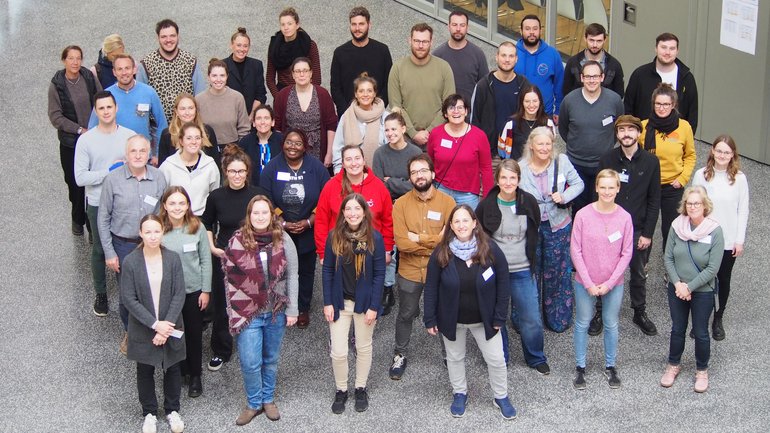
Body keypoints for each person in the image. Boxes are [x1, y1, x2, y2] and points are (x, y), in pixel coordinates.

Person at [423, 205, 516, 420]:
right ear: (451, 226)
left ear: (475, 223)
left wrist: (500, 315)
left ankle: (500, 396)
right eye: (457, 221)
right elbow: (431, 287)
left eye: (466, 220)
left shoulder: (490, 248)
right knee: (455, 358)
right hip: (452, 319)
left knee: (496, 359)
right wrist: (430, 318)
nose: (462, 225)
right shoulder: (441, 252)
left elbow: (503, 281)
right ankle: (459, 393)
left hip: (485, 320)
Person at [223, 196, 299, 425]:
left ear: (271, 214)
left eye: (264, 212)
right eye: (255, 213)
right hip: (249, 313)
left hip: (275, 311)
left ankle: (268, 399)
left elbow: (293, 274)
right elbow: (230, 279)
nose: (260, 217)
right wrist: (233, 310)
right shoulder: (236, 241)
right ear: (249, 215)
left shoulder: (283, 239)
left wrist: (293, 309)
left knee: (271, 358)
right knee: (249, 361)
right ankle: (254, 403)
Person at [476, 159, 549, 373]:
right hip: (496, 272)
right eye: (504, 178)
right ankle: (502, 357)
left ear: (519, 179)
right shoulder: (486, 205)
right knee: (496, 318)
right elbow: (480, 238)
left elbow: (535, 232)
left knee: (531, 318)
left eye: (513, 178)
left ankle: (535, 357)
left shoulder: (529, 203)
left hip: (523, 270)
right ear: (497, 180)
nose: (508, 182)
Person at [388, 153, 456, 380]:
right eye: (414, 172)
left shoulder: (448, 203)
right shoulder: (400, 205)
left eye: (423, 170)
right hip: (409, 271)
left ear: (433, 173)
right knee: (406, 313)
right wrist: (434, 240)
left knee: (444, 313)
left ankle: (450, 356)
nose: (419, 175)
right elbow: (402, 243)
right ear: (409, 178)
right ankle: (400, 354)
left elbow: (449, 240)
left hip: (441, 269)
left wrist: (418, 238)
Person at [594, 115, 661, 337]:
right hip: (610, 229)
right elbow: (601, 196)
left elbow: (654, 200)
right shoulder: (607, 159)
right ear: (616, 134)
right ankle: (600, 311)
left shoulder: (652, 162)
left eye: (631, 130)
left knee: (639, 273)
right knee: (605, 270)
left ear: (639, 133)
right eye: (621, 130)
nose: (626, 134)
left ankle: (639, 311)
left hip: (639, 229)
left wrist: (649, 233)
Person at [201, 146, 265, 372]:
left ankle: (254, 345)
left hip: (252, 258)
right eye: (232, 171)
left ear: (247, 172)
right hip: (225, 256)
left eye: (241, 171)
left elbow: (268, 223)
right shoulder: (216, 196)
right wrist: (211, 246)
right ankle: (221, 350)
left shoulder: (257, 195)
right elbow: (206, 223)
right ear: (225, 172)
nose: (237, 175)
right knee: (222, 305)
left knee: (253, 304)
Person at [120, 214, 186, 433]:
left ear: (162, 232)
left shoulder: (173, 259)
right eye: (147, 232)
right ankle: (149, 412)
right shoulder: (131, 261)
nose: (152, 236)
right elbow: (129, 299)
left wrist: (165, 326)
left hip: (171, 325)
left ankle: (172, 410)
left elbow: (179, 294)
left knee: (173, 367)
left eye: (156, 231)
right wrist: (155, 325)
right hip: (144, 326)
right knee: (145, 369)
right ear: (140, 233)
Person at [98, 135, 167, 344]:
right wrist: (110, 253)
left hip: (152, 244)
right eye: (133, 151)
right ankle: (131, 333)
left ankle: (153, 329)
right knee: (128, 293)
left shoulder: (159, 177)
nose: (138, 155)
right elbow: (103, 218)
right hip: (123, 245)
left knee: (154, 288)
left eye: (142, 151)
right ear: (126, 155)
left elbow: (163, 211)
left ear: (149, 154)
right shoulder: (113, 180)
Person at [570, 169, 634, 390]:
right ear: (596, 187)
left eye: (611, 187)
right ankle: (580, 367)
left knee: (611, 323)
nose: (607, 191)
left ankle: (610, 365)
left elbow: (626, 253)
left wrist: (609, 283)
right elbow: (575, 250)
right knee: (582, 322)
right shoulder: (583, 215)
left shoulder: (625, 218)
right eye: (603, 187)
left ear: (618, 188)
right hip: (584, 282)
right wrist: (588, 282)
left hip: (613, 283)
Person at [74, 91, 135, 317]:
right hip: (98, 201)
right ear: (96, 111)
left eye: (109, 107)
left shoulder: (129, 136)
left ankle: (129, 292)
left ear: (116, 108)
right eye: (101, 108)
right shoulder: (86, 140)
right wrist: (108, 172)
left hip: (124, 200)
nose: (106, 111)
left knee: (128, 246)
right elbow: (80, 177)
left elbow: (139, 164)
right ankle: (101, 293)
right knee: (100, 248)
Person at [261, 129, 330, 329]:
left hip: (309, 228)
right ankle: (282, 305)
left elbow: (325, 199)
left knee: (306, 270)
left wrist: (309, 221)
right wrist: (281, 222)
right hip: (279, 230)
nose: (293, 146)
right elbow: (266, 199)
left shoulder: (316, 168)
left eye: (298, 143)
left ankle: (302, 308)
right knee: (280, 270)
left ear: (305, 146)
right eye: (289, 142)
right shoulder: (272, 167)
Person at [323, 193, 385, 414]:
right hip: (340, 303)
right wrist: (327, 302)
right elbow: (328, 270)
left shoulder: (374, 239)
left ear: (364, 212)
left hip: (365, 304)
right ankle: (341, 390)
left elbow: (379, 274)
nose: (352, 213)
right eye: (348, 209)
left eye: (357, 209)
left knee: (363, 347)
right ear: (342, 213)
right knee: (338, 352)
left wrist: (374, 307)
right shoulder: (334, 237)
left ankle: (360, 387)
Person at [519, 127, 584, 332]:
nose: (545, 148)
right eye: (540, 144)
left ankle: (557, 317)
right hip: (531, 228)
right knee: (531, 272)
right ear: (531, 145)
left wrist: (564, 196)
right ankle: (529, 317)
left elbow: (579, 184)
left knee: (557, 271)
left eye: (548, 144)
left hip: (558, 226)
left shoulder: (562, 161)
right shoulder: (520, 168)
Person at [660, 186, 724, 393]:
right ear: (684, 205)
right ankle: (673, 365)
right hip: (677, 287)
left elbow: (713, 268)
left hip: (702, 290)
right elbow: (668, 257)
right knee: (677, 329)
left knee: (701, 331)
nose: (693, 206)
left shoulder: (715, 231)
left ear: (705, 206)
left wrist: (689, 286)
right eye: (689, 203)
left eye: (697, 203)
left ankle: (702, 371)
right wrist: (678, 283)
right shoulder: (676, 226)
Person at [692, 135, 749, 341]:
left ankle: (718, 317)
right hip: (704, 237)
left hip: (727, 239)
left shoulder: (739, 178)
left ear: (732, 154)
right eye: (719, 151)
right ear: (712, 151)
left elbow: (743, 210)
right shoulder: (701, 175)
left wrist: (739, 240)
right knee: (701, 279)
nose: (722, 155)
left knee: (723, 279)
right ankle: (700, 319)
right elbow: (693, 205)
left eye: (727, 152)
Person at [159, 186, 212, 399]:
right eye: (172, 203)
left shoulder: (197, 227)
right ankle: (178, 371)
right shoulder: (159, 228)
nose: (177, 207)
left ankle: (195, 375)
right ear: (164, 206)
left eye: (181, 203)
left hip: (193, 290)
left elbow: (206, 260)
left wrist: (206, 290)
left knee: (193, 333)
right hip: (168, 293)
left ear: (188, 205)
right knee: (172, 332)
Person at [48, 45, 102, 237]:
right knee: (73, 182)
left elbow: (100, 100)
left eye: (78, 58)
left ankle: (89, 223)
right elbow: (56, 117)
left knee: (91, 181)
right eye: (71, 58)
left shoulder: (88, 77)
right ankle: (77, 217)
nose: (75, 62)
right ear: (64, 60)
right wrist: (79, 130)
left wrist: (98, 125)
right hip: (71, 142)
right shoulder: (57, 85)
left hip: (93, 138)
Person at [559, 61, 624, 214]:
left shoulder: (614, 100)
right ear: (581, 78)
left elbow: (618, 128)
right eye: (588, 76)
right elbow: (563, 129)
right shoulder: (569, 100)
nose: (592, 80)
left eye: (595, 76)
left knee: (602, 206)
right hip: (576, 165)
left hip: (603, 164)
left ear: (602, 77)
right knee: (579, 209)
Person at [315, 145, 394, 267]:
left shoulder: (379, 186)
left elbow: (388, 220)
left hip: (371, 251)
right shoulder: (331, 186)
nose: (353, 163)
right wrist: (323, 253)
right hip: (339, 251)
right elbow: (321, 221)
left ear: (364, 161)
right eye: (348, 159)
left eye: (357, 158)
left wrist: (387, 249)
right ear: (343, 163)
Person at [639, 83, 696, 247]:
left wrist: (683, 179)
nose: (661, 108)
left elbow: (690, 155)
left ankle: (670, 263)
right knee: (645, 226)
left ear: (673, 105)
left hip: (672, 186)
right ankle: (643, 264)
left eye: (666, 104)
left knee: (671, 228)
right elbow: (636, 156)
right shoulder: (643, 127)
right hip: (648, 185)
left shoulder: (684, 127)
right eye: (658, 104)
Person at [388, 23, 455, 148]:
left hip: (439, 138)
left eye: (424, 41)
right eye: (417, 41)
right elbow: (396, 106)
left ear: (431, 42)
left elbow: (449, 105)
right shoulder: (397, 68)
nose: (420, 46)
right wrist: (413, 133)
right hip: (405, 140)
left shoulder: (444, 67)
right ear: (410, 41)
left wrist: (429, 131)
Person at [89, 54, 168, 159]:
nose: (124, 73)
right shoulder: (106, 95)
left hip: (144, 157)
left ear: (134, 69)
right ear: (114, 72)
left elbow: (162, 125)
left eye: (127, 68)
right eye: (120, 69)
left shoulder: (149, 92)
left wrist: (157, 154)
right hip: (115, 158)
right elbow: (92, 128)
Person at [427, 94, 493, 209]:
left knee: (466, 226)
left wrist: (488, 198)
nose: (456, 111)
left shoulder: (479, 136)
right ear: (445, 114)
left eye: (460, 107)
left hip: (468, 195)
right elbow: (430, 162)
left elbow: (486, 168)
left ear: (466, 111)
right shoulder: (436, 134)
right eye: (451, 108)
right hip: (441, 190)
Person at [625, 32, 699, 133]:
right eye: (663, 47)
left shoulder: (686, 78)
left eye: (672, 48)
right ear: (656, 48)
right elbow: (628, 107)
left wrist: (687, 138)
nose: (667, 52)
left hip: (675, 138)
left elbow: (693, 113)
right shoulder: (640, 75)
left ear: (677, 51)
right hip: (644, 136)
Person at [138, 19, 207, 122]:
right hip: (157, 130)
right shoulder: (146, 64)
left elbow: (200, 96)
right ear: (158, 38)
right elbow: (141, 97)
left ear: (178, 36)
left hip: (186, 126)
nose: (168, 40)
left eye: (172, 36)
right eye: (164, 36)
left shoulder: (190, 61)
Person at [470, 41, 529, 159]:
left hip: (517, 154)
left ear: (516, 59)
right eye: (503, 55)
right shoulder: (484, 85)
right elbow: (474, 121)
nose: (507, 60)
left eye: (511, 56)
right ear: (496, 57)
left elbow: (531, 117)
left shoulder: (524, 85)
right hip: (490, 154)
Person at [273, 57, 337, 166]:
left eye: (305, 71)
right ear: (293, 75)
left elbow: (331, 126)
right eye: (297, 71)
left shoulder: (323, 94)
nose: (301, 74)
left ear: (311, 73)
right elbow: (277, 127)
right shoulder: (283, 95)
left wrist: (329, 153)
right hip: (290, 150)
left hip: (317, 150)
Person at [330, 6, 393, 116]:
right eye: (354, 24)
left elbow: (388, 84)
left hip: (376, 114)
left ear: (369, 25)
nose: (357, 28)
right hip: (348, 115)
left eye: (361, 24)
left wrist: (377, 108)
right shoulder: (340, 53)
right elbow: (335, 87)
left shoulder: (382, 50)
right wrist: (347, 111)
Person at [159, 123, 221, 216]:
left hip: (202, 219)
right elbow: (162, 195)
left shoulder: (210, 165)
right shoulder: (168, 166)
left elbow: (214, 194)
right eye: (189, 138)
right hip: (174, 218)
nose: (194, 142)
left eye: (197, 138)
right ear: (181, 141)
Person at [332, 73, 388, 172]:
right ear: (356, 94)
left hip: (380, 174)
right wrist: (337, 171)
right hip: (350, 174)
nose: (365, 94)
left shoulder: (385, 117)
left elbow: (390, 148)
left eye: (369, 91)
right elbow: (338, 147)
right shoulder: (346, 117)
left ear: (374, 93)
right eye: (361, 91)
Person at [514, 15, 564, 121]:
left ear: (540, 30)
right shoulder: (513, 53)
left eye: (535, 29)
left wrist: (558, 109)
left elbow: (559, 84)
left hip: (545, 115)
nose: (532, 32)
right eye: (527, 29)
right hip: (517, 114)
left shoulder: (552, 54)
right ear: (521, 30)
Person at [266, 7, 322, 99]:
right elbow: (270, 78)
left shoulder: (309, 45)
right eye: (283, 24)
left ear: (297, 25)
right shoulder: (274, 46)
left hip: (306, 94)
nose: (286, 27)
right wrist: (279, 97)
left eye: (289, 24)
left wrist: (308, 96)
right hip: (282, 94)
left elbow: (317, 77)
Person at [433, 10, 488, 103]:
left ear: (467, 28)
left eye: (462, 25)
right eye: (454, 25)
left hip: (470, 114)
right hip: (445, 113)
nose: (458, 29)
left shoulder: (478, 54)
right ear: (448, 27)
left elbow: (485, 88)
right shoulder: (438, 55)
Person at [195, 58, 250, 149]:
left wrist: (239, 149)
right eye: (214, 76)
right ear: (208, 77)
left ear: (227, 76)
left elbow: (244, 128)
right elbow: (195, 127)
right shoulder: (199, 99)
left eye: (222, 75)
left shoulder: (237, 97)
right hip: (207, 148)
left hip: (232, 148)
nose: (218, 79)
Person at [372, 112, 423, 201]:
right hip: (388, 203)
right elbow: (379, 189)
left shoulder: (416, 153)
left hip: (413, 201)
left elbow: (418, 186)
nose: (390, 133)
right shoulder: (379, 154)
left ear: (403, 129)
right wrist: (405, 183)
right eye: (387, 130)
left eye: (393, 129)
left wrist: (391, 181)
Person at [562, 23, 624, 97]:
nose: (595, 45)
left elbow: (619, 95)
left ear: (605, 40)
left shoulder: (614, 65)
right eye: (591, 40)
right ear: (585, 38)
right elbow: (566, 92)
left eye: (599, 41)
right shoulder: (573, 63)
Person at [158, 93, 219, 168]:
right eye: (183, 109)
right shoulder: (167, 134)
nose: (187, 112)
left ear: (196, 110)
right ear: (176, 111)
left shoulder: (208, 131)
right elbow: (162, 166)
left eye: (190, 108)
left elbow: (215, 163)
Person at [498, 84, 555, 161]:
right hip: (518, 170)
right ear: (522, 103)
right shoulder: (510, 125)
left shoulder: (548, 124)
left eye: (535, 101)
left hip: (542, 170)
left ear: (540, 102)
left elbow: (551, 148)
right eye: (527, 101)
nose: (531, 105)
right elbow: (502, 152)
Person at [223, 27, 267, 115]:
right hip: (228, 117)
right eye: (238, 45)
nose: (242, 49)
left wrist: (251, 116)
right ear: (231, 45)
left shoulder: (256, 65)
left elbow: (260, 94)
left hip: (251, 117)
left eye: (245, 46)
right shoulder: (222, 65)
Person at [238, 105, 284, 187]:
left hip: (279, 188)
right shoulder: (245, 142)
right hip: (252, 189)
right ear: (254, 123)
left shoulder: (282, 141)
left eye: (266, 118)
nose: (262, 122)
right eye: (259, 118)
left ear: (273, 122)